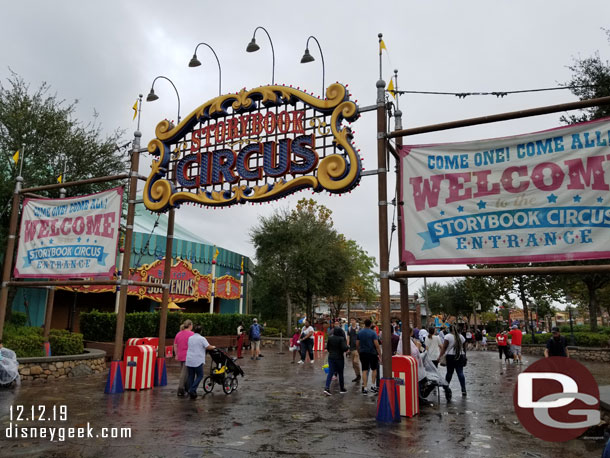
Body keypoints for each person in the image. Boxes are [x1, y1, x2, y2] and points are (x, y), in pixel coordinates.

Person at [185, 325, 216, 399]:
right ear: (201, 331)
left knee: (191, 376)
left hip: (189, 359)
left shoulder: (190, 338)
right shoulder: (202, 338)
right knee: (200, 375)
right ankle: (192, 390)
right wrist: (214, 347)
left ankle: (191, 390)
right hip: (197, 360)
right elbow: (208, 347)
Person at [438, 324, 467, 396]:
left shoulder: (447, 336)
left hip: (450, 356)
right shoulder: (461, 337)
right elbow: (464, 348)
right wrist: (465, 356)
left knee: (449, 372)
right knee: (460, 372)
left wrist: (440, 356)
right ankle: (463, 389)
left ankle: (446, 387)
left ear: (449, 329)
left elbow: (444, 347)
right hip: (460, 355)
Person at [356, 319, 381, 395]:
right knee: (374, 369)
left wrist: (359, 351)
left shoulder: (360, 333)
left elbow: (357, 344)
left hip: (363, 353)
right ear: (370, 324)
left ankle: (365, 388)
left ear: (364, 324)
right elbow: (376, 345)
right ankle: (373, 386)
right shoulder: (373, 333)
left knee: (364, 370)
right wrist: (380, 354)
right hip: (372, 353)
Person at [324, 327, 349, 395]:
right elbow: (344, 348)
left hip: (331, 357)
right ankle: (342, 388)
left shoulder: (330, 338)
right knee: (340, 373)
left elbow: (328, 348)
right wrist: (348, 347)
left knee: (330, 373)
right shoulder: (341, 339)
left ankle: (327, 387)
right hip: (339, 358)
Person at [173, 319, 194, 397]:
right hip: (188, 356)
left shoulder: (178, 334)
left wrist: (176, 354)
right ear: (190, 325)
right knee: (184, 373)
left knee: (184, 372)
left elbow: (175, 345)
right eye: (192, 325)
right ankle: (181, 389)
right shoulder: (192, 334)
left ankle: (185, 388)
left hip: (180, 355)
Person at [347, 318, 361, 383]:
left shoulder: (358, 328)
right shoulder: (349, 329)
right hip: (352, 347)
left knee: (356, 362)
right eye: (351, 320)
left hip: (357, 348)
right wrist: (347, 346)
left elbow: (361, 337)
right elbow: (348, 338)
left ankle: (359, 375)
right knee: (353, 364)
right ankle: (358, 375)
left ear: (355, 321)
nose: (352, 321)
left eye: (353, 320)